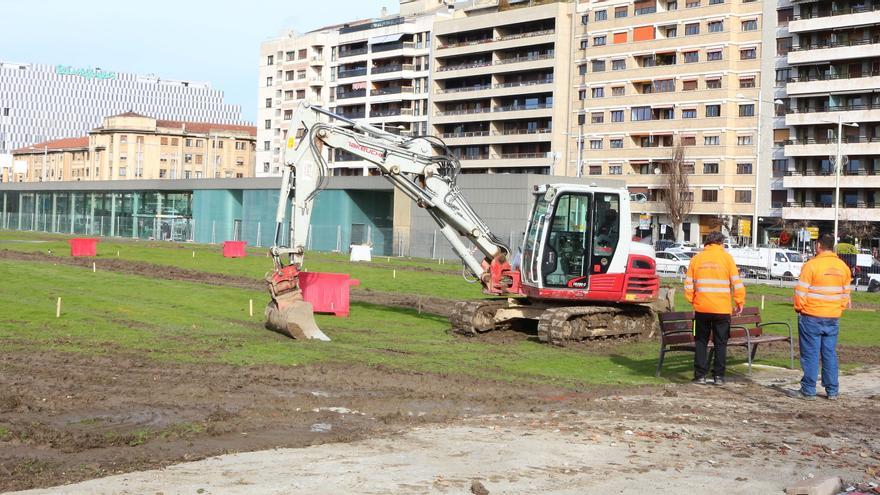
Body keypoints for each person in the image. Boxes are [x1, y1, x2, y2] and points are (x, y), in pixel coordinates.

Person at [788, 234, 851, 400]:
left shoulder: (811, 265)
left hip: (811, 316)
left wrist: (799, 308)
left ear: (818, 246)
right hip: (832, 318)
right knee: (829, 353)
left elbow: (801, 292)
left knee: (810, 354)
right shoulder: (843, 267)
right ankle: (832, 390)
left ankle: (808, 390)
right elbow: (846, 294)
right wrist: (838, 309)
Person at [684, 231, 746, 386]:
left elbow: (688, 285)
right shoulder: (727, 258)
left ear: (707, 243)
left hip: (702, 309)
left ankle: (700, 376)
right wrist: (739, 302)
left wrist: (694, 301)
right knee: (720, 343)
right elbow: (737, 283)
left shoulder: (696, 259)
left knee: (701, 342)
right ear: (720, 243)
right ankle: (718, 376)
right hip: (722, 310)